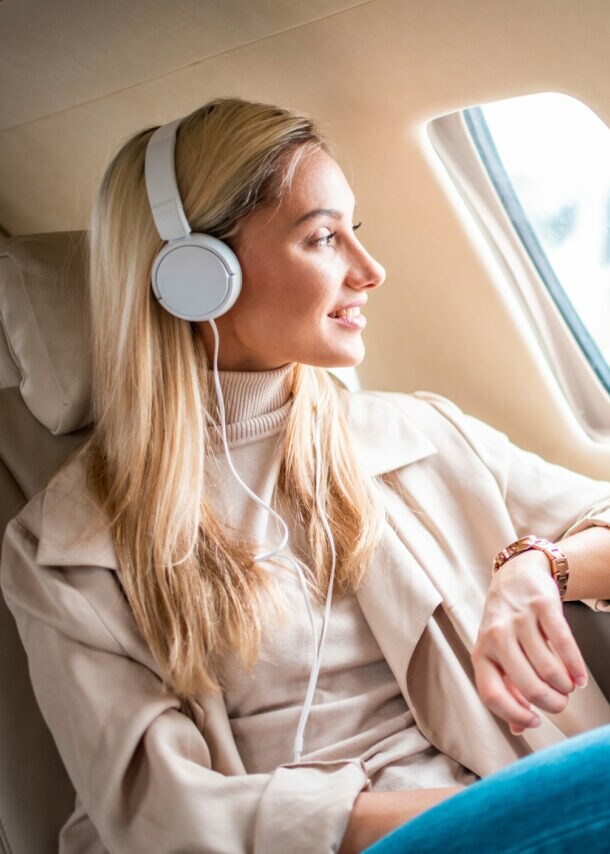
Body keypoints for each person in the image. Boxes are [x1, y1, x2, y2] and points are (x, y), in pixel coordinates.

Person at [1, 97, 609, 854]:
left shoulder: (418, 433)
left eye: (358, 231)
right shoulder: (66, 546)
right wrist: (471, 821)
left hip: (515, 809)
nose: (370, 270)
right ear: (197, 276)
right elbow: (164, 808)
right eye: (324, 237)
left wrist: (540, 568)